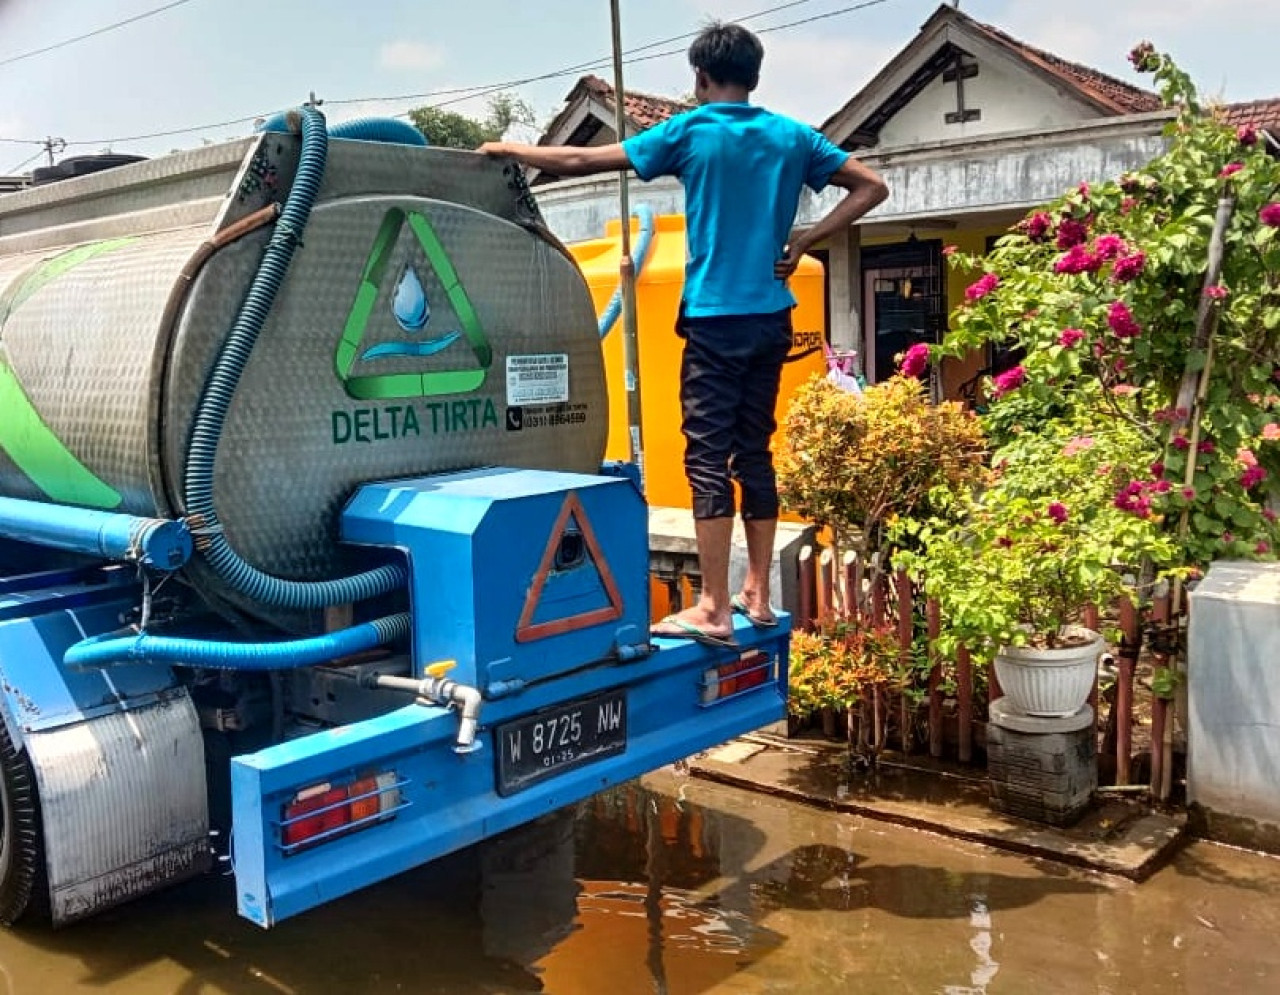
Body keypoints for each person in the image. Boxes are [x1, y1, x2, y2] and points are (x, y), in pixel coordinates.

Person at [480, 21, 888, 648]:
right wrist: (808, 238)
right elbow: (872, 185)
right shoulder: (791, 136)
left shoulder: (693, 130)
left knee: (704, 459)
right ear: (754, 76)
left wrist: (512, 151)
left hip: (715, 319)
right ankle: (756, 592)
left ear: (699, 78)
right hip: (772, 316)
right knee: (754, 450)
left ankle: (715, 606)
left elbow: (582, 158)